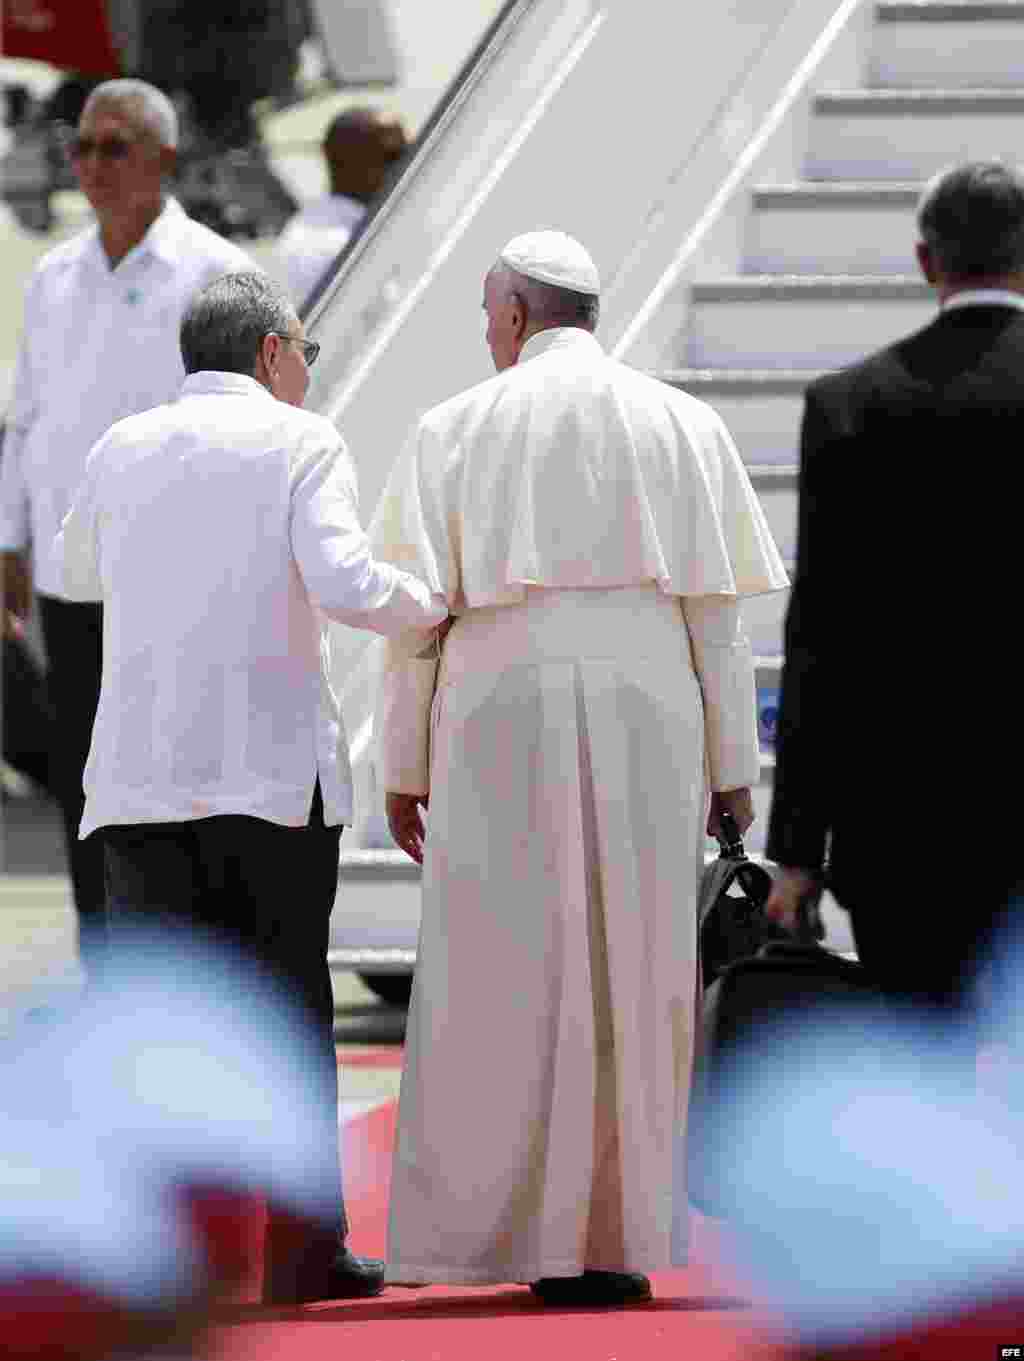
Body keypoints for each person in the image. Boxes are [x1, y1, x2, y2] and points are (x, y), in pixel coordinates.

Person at [370, 231, 788, 1304]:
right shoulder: (683, 424)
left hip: (494, 701)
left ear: (513, 315)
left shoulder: (452, 426)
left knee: (501, 972)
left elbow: (416, 623)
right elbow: (717, 618)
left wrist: (403, 761)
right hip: (650, 701)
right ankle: (617, 1235)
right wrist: (732, 763)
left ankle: (499, 1236)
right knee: (638, 966)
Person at [54, 270, 448, 1306]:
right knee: (284, 1009)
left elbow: (80, 566)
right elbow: (348, 581)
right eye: (304, 355)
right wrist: (437, 606)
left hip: (140, 783)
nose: (305, 373)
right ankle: (301, 1247)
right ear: (273, 352)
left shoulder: (118, 446)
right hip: (271, 782)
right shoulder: (301, 442)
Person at [0, 78, 252, 965]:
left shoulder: (217, 273)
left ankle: (186, 978)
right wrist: (8, 539)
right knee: (83, 784)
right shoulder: (52, 277)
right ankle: (105, 972)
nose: (93, 166)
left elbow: (255, 426)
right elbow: (26, 416)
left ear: (165, 161)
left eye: (116, 148)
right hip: (74, 584)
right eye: (83, 148)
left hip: (179, 588)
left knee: (177, 789)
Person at [765, 161, 1024, 1022]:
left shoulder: (849, 404)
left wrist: (796, 849)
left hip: (900, 829)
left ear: (926, 261)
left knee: (924, 1080)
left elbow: (820, 636)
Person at [272, 106, 409, 310]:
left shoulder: (360, 224)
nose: (408, 163)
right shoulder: (331, 246)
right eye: (393, 155)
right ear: (346, 160)